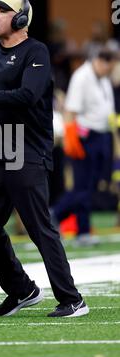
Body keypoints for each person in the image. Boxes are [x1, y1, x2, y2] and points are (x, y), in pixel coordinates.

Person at [0, 0, 89, 318]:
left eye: (2, 10)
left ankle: (72, 299)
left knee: (39, 227)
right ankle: (21, 289)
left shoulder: (35, 51)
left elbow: (27, 96)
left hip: (27, 148)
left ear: (21, 18)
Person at [51, 49, 116, 246]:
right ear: (100, 61)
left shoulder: (102, 78)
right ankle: (73, 224)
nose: (110, 71)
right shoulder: (82, 77)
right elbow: (71, 110)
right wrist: (72, 140)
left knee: (92, 185)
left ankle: (64, 219)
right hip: (85, 137)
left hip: (102, 135)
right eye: (110, 67)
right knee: (82, 187)